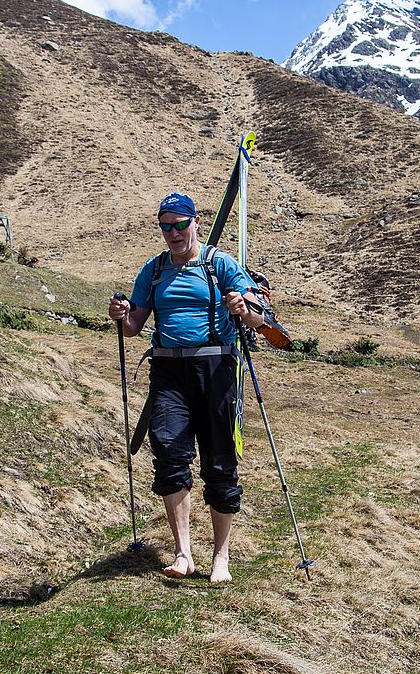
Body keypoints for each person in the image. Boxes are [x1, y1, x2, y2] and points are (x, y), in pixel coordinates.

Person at [108, 191, 266, 582]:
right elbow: (133, 329)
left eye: (180, 224)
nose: (173, 232)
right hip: (167, 370)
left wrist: (244, 309)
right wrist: (121, 315)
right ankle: (183, 554)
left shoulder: (219, 264)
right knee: (169, 453)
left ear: (196, 221)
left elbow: (260, 320)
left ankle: (221, 557)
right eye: (166, 225)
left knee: (219, 459)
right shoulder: (155, 269)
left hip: (214, 367)